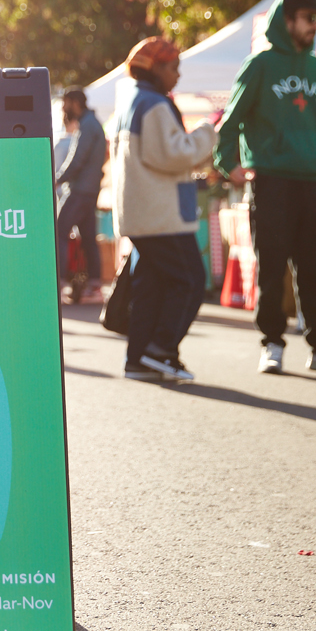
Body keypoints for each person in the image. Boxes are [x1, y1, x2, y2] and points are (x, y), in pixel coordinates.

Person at [214, 0, 316, 376]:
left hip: (309, 183)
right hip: (270, 181)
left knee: (313, 268)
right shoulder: (260, 65)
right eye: (307, 18)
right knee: (271, 268)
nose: (315, 26)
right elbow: (229, 123)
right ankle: (272, 343)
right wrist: (226, 163)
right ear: (286, 21)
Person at [112, 37, 217, 382]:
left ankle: (139, 359)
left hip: (141, 214)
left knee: (151, 286)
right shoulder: (154, 104)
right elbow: (174, 155)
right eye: (173, 67)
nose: (178, 75)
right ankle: (161, 349)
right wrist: (208, 131)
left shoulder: (131, 99)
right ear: (155, 68)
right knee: (190, 280)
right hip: (162, 215)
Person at [55, 88, 107, 304]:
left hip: (80, 190)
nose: (64, 108)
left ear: (75, 102)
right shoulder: (94, 124)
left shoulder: (86, 126)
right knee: (87, 237)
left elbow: (77, 159)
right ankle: (94, 284)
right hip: (90, 189)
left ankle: (60, 281)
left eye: (66, 103)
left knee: (59, 230)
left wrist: (58, 177)